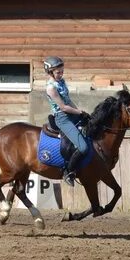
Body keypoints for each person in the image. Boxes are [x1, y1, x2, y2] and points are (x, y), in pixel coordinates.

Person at [43, 56, 90, 185]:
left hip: (71, 113)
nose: (61, 74)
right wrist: (80, 112)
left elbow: (68, 101)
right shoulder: (51, 88)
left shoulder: (62, 81)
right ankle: (69, 172)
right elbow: (63, 107)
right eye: (58, 72)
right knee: (83, 147)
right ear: (50, 72)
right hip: (62, 118)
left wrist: (80, 111)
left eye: (62, 71)